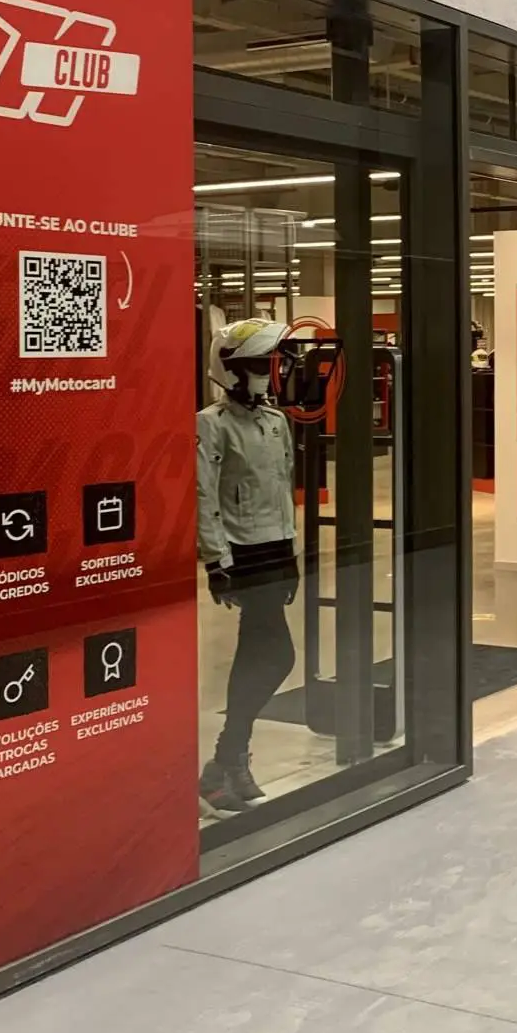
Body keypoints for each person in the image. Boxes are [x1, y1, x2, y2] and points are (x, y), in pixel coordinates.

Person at [197, 319, 300, 816]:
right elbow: (204, 495)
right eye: (259, 364)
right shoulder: (211, 424)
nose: (268, 373)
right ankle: (227, 758)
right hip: (243, 552)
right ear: (232, 370)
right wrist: (216, 560)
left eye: (270, 364)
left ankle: (226, 764)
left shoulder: (276, 422)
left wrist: (292, 552)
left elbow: (283, 489)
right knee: (277, 656)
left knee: (257, 654)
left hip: (275, 548)